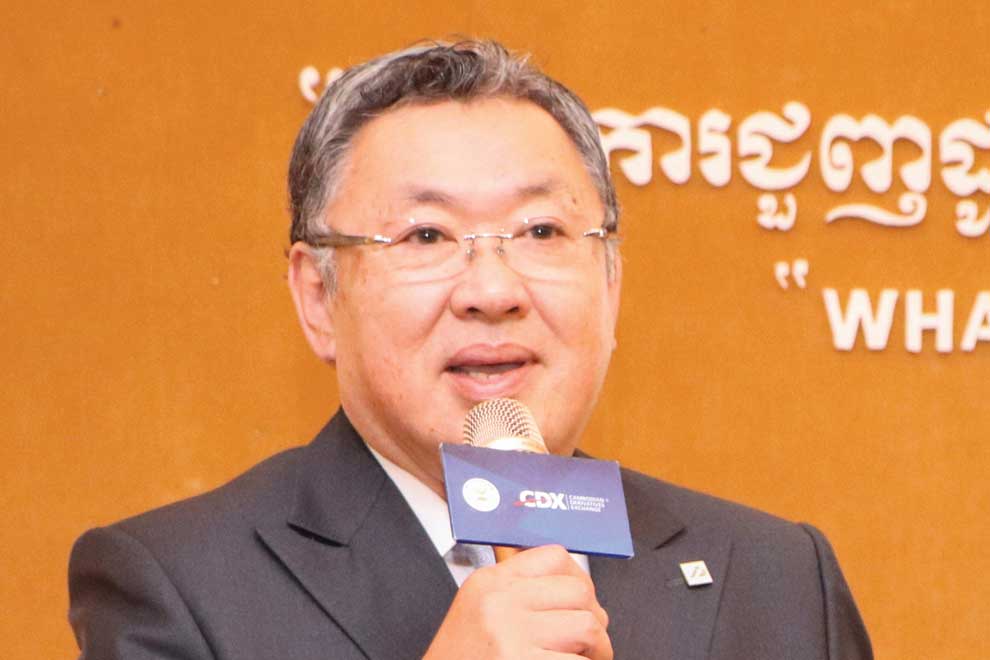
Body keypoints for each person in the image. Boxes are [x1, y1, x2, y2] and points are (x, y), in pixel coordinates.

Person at [68, 40, 873, 659]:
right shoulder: (179, 587)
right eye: (427, 235)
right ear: (318, 297)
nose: (493, 289)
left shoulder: (776, 577)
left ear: (611, 282)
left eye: (541, 231)